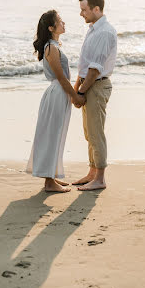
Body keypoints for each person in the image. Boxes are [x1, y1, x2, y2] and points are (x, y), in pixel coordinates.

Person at [26, 10, 85, 193]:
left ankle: (52, 177)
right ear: (51, 27)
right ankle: (49, 182)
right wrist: (75, 96)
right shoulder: (51, 48)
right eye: (59, 21)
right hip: (58, 93)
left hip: (59, 93)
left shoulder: (53, 46)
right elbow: (61, 77)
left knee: (56, 135)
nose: (63, 23)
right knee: (52, 135)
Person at [72, 0, 117, 191]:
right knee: (89, 132)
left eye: (84, 10)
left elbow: (95, 68)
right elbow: (84, 65)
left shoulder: (104, 32)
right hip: (88, 84)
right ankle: (92, 173)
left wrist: (81, 92)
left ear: (96, 9)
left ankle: (100, 178)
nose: (81, 14)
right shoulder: (93, 29)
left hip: (96, 86)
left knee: (96, 133)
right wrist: (77, 89)